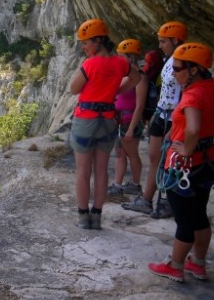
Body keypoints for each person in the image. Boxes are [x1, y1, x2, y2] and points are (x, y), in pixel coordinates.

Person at [147, 43, 214, 282]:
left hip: (184, 166)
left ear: (193, 69)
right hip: (206, 162)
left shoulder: (193, 95)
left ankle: (175, 266)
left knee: (184, 220)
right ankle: (198, 263)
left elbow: (192, 127)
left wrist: (187, 146)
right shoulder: (212, 89)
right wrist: (206, 136)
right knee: (199, 215)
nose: (173, 73)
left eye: (177, 68)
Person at [69, 19, 140, 229]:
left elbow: (74, 89)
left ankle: (83, 216)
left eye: (86, 42)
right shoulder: (121, 63)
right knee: (101, 170)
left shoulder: (90, 64)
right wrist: (115, 91)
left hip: (86, 119)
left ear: (98, 40)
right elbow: (136, 78)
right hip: (108, 119)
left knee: (83, 170)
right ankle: (97, 215)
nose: (84, 47)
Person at [123, 21, 187, 218]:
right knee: (155, 158)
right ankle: (146, 200)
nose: (160, 45)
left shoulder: (185, 63)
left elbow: (186, 94)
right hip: (161, 114)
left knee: (171, 162)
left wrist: (177, 123)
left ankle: (168, 201)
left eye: (163, 41)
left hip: (173, 116)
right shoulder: (169, 60)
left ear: (175, 40)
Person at [108, 39, 148, 196]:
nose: (119, 59)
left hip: (130, 121)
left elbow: (139, 105)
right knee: (120, 153)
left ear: (130, 57)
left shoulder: (141, 78)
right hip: (120, 120)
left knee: (132, 154)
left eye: (121, 56)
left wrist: (131, 128)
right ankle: (117, 185)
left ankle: (135, 184)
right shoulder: (125, 74)